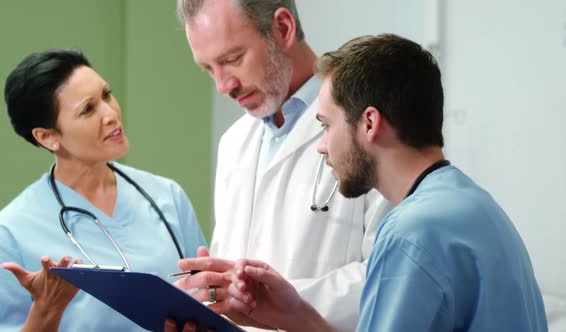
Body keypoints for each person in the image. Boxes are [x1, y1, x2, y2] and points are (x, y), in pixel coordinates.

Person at [215, 34, 549, 331]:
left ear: (370, 123)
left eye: (326, 126)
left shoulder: (412, 233)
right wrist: (298, 317)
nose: (321, 145)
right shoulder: (474, 207)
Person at [172, 1, 392, 330]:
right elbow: (233, 281)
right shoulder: (233, 144)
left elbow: (389, 276)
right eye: (208, 68)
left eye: (231, 59)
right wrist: (210, 298)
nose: (223, 86)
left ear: (284, 28)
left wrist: (272, 301)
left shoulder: (366, 125)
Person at [0, 49, 207, 331]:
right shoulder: (9, 235)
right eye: (88, 109)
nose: (111, 113)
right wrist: (45, 310)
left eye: (107, 95)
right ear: (47, 136)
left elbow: (205, 299)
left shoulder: (168, 197)